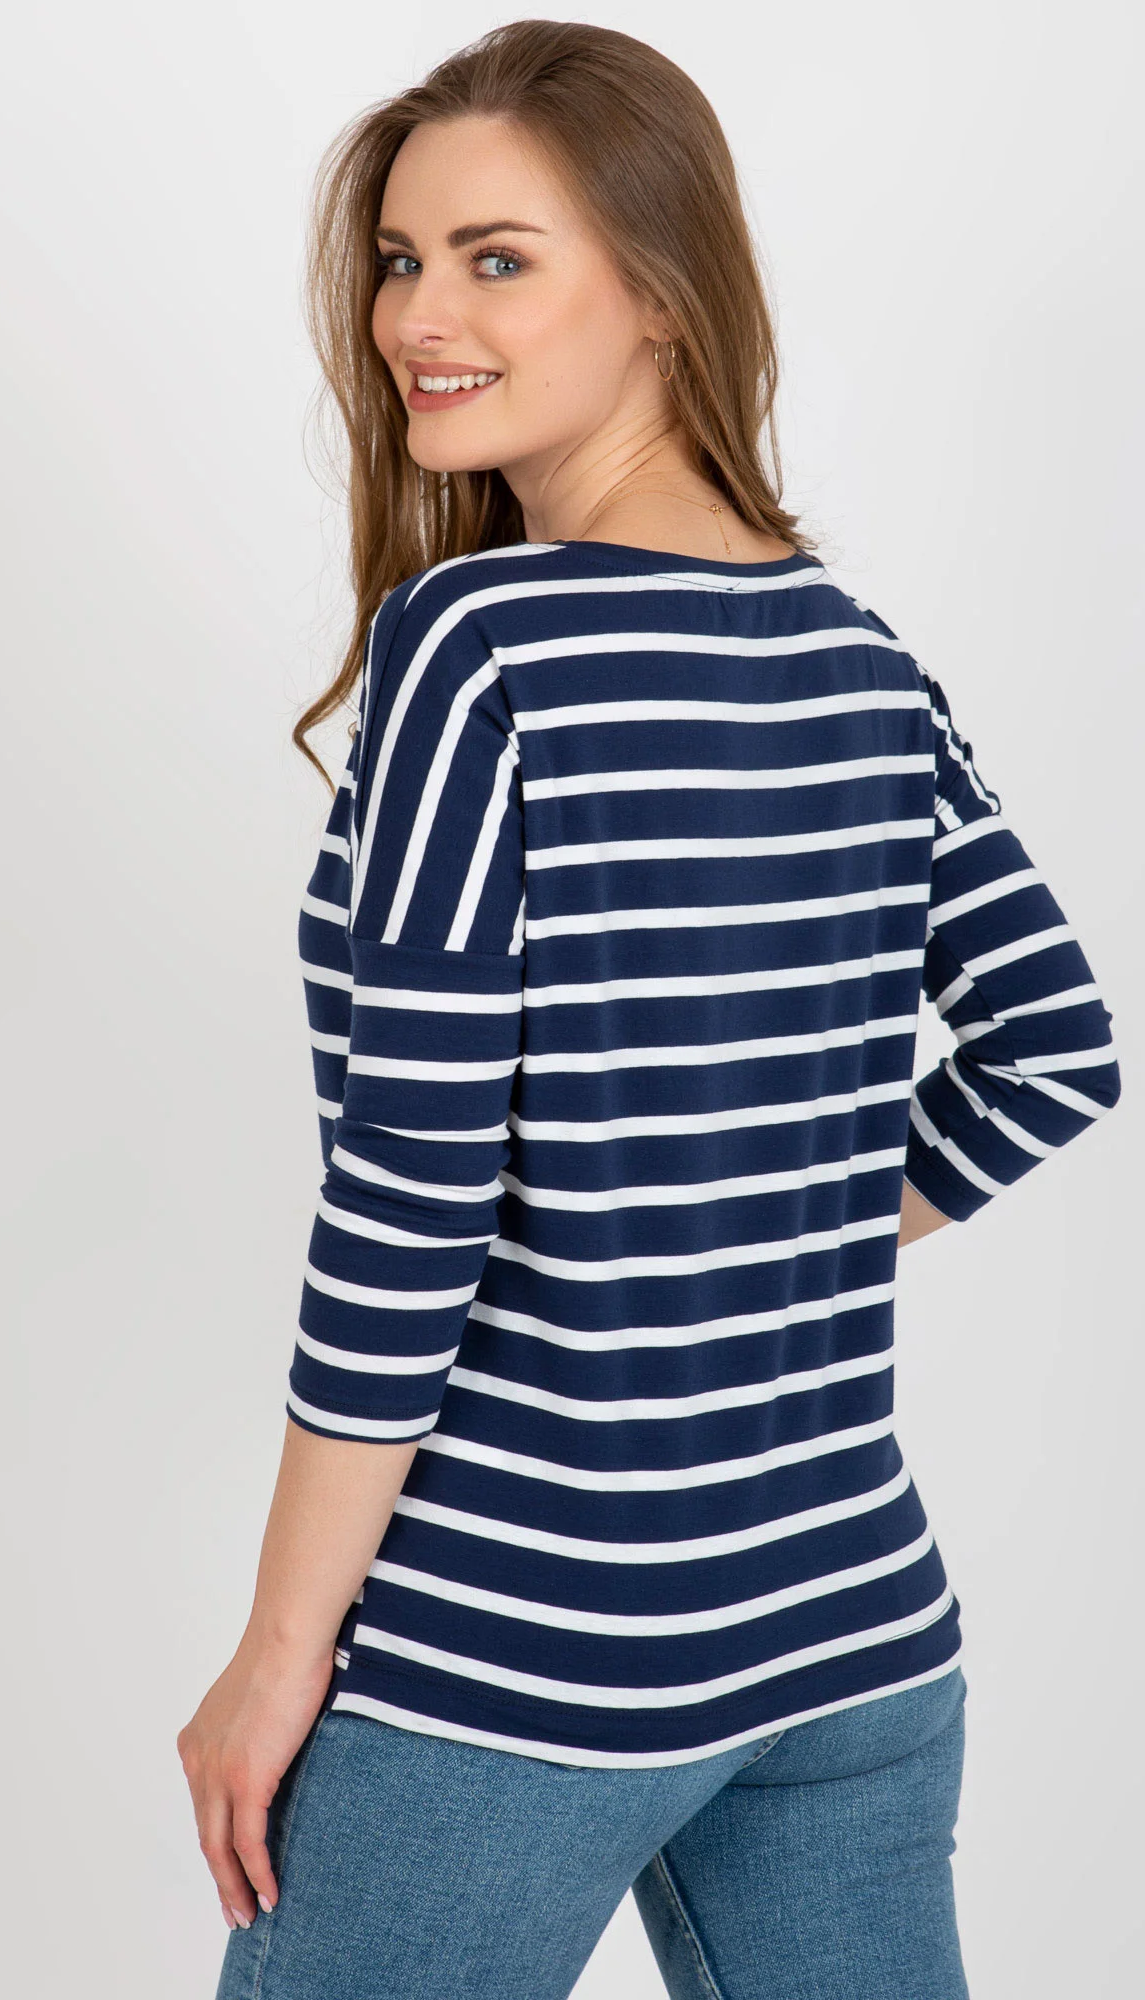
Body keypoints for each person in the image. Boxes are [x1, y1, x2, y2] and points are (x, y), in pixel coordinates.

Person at [177, 22, 1122, 1999]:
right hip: (850, 1624)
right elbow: (1058, 1045)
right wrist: (752, 1246)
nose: (419, 317)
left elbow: (411, 1211)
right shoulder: (858, 656)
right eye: (403, 259)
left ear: (666, 295)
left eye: (498, 259)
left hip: (528, 1645)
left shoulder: (481, 648)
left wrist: (278, 1653)